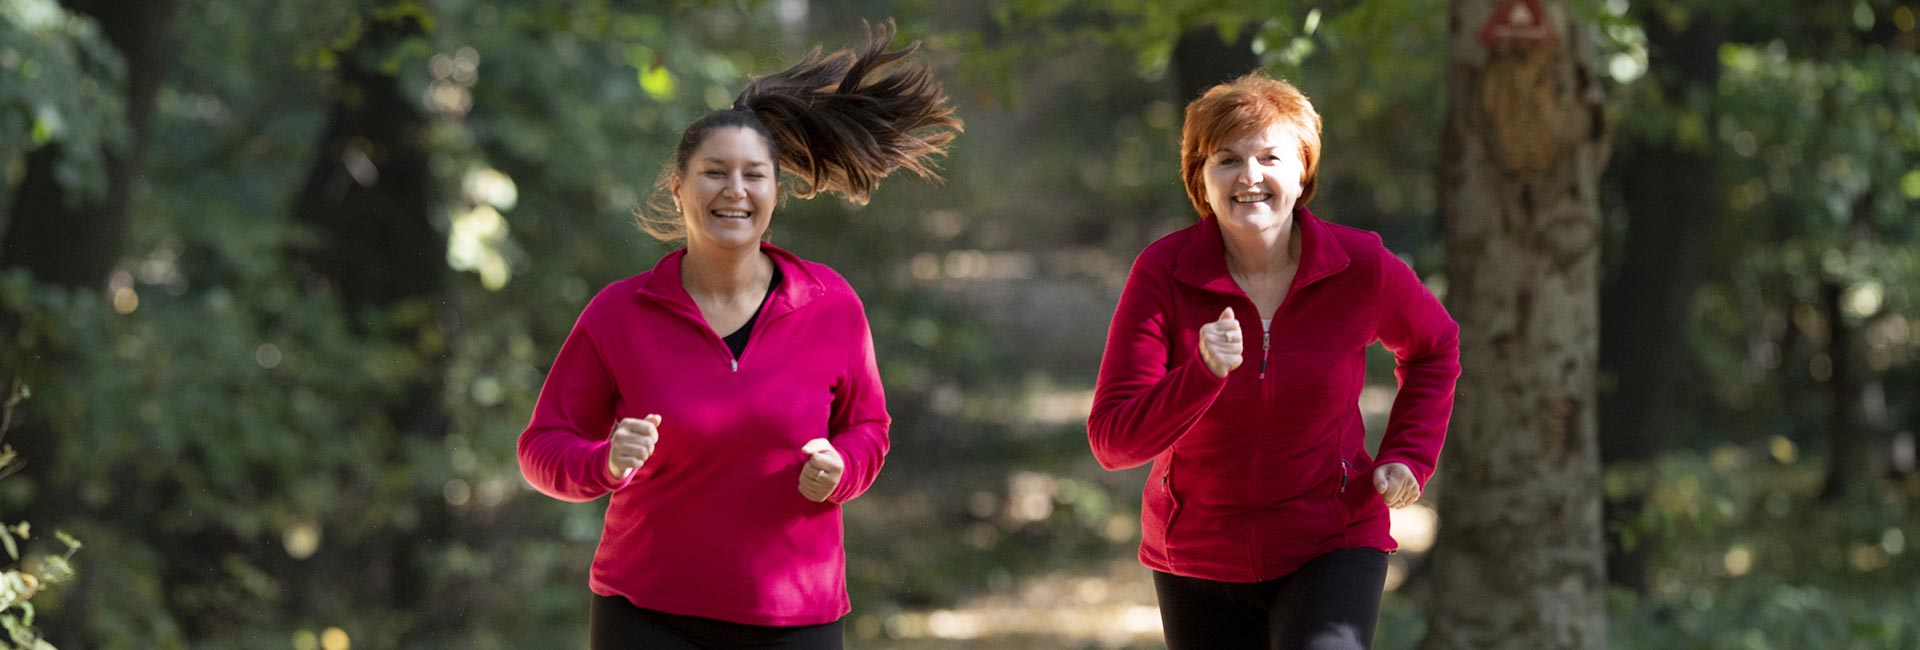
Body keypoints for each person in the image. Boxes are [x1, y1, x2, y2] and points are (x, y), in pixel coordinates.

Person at [517, 21, 959, 650]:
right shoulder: (620, 314)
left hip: (796, 618)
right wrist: (604, 461)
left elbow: (870, 429)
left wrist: (843, 468)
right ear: (679, 188)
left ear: (777, 191)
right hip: (646, 616)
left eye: (754, 174)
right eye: (713, 173)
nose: (735, 191)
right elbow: (541, 447)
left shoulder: (831, 304)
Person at [1086, 71, 1459, 650]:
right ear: (1200, 179)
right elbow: (1113, 441)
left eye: (1270, 157)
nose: (1250, 177)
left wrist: (1410, 454)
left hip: (1331, 538)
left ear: (1303, 170)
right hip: (1198, 556)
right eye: (1227, 159)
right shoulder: (1162, 273)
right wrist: (1202, 374)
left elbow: (1435, 347)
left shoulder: (1361, 266)